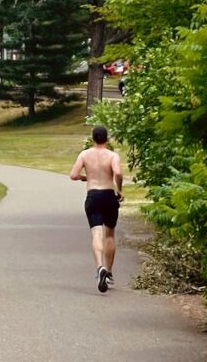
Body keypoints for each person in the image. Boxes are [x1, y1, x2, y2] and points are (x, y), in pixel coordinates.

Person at [69, 125, 123, 293]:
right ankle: (109, 271)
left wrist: (86, 177)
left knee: (96, 233)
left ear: (93, 138)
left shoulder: (84, 154)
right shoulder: (113, 155)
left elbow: (73, 175)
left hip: (93, 196)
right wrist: (119, 189)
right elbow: (118, 173)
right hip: (108, 195)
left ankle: (99, 266)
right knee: (110, 234)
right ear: (107, 139)